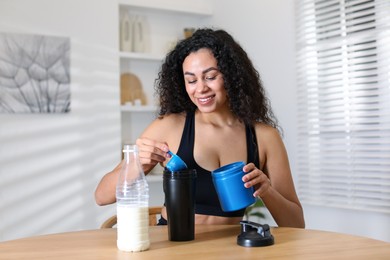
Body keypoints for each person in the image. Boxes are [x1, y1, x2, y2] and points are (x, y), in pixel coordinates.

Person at [95, 28, 305, 228]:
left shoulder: (264, 137)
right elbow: (102, 196)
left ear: (232, 76)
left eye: (211, 77)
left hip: (230, 248)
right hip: (175, 247)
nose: (201, 88)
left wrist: (267, 190)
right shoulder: (170, 126)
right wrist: (137, 164)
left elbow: (296, 223)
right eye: (191, 80)